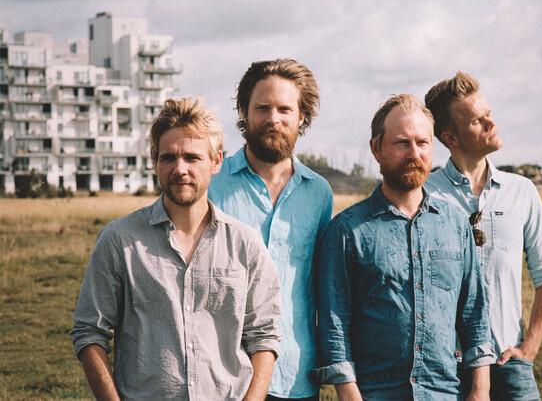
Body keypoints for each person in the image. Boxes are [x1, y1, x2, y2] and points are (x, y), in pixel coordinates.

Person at [71, 98, 281, 400]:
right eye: (168, 157)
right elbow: (89, 332)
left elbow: (264, 336)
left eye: (192, 158)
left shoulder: (245, 243)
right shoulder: (119, 240)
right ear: (155, 161)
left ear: (216, 162)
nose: (180, 169)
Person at [315, 94, 494, 400]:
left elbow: (474, 312)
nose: (414, 153)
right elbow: (334, 323)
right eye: (402, 143)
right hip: (375, 393)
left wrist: (480, 390)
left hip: (444, 392)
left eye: (422, 143)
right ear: (376, 148)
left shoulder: (455, 224)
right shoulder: (346, 231)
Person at [424, 72, 542, 400]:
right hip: (446, 369)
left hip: (509, 362)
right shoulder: (424, 194)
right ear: (451, 138)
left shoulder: (522, 191)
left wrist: (528, 349)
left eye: (489, 114)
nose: (491, 123)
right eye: (477, 121)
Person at [208, 58, 333, 400]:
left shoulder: (319, 193)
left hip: (295, 372)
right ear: (244, 112)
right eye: (262, 108)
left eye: (284, 109)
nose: (273, 119)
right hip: (222, 371)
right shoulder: (212, 183)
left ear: (301, 116)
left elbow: (320, 284)